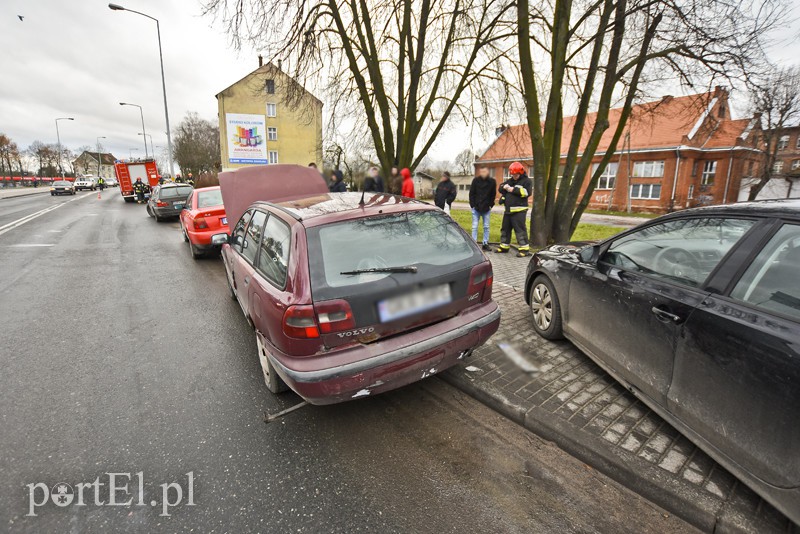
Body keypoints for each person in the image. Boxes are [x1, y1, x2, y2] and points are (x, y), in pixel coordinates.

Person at [496, 161, 532, 257]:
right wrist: (504, 187)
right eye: (513, 174)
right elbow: (500, 188)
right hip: (508, 211)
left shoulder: (527, 181)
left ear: (520, 172)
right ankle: (504, 247)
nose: (514, 176)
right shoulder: (510, 181)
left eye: (516, 175)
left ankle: (524, 250)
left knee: (520, 230)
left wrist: (512, 189)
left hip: (519, 211)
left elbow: (527, 193)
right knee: (505, 229)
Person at [469, 166, 497, 251]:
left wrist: (490, 205)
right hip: (476, 207)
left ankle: (485, 243)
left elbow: (493, 194)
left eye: (484, 171)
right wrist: (472, 205)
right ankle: (474, 243)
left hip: (486, 208)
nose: (482, 173)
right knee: (474, 226)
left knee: (486, 226)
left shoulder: (492, 182)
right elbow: (472, 193)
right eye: (481, 172)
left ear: (487, 172)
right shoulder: (475, 181)